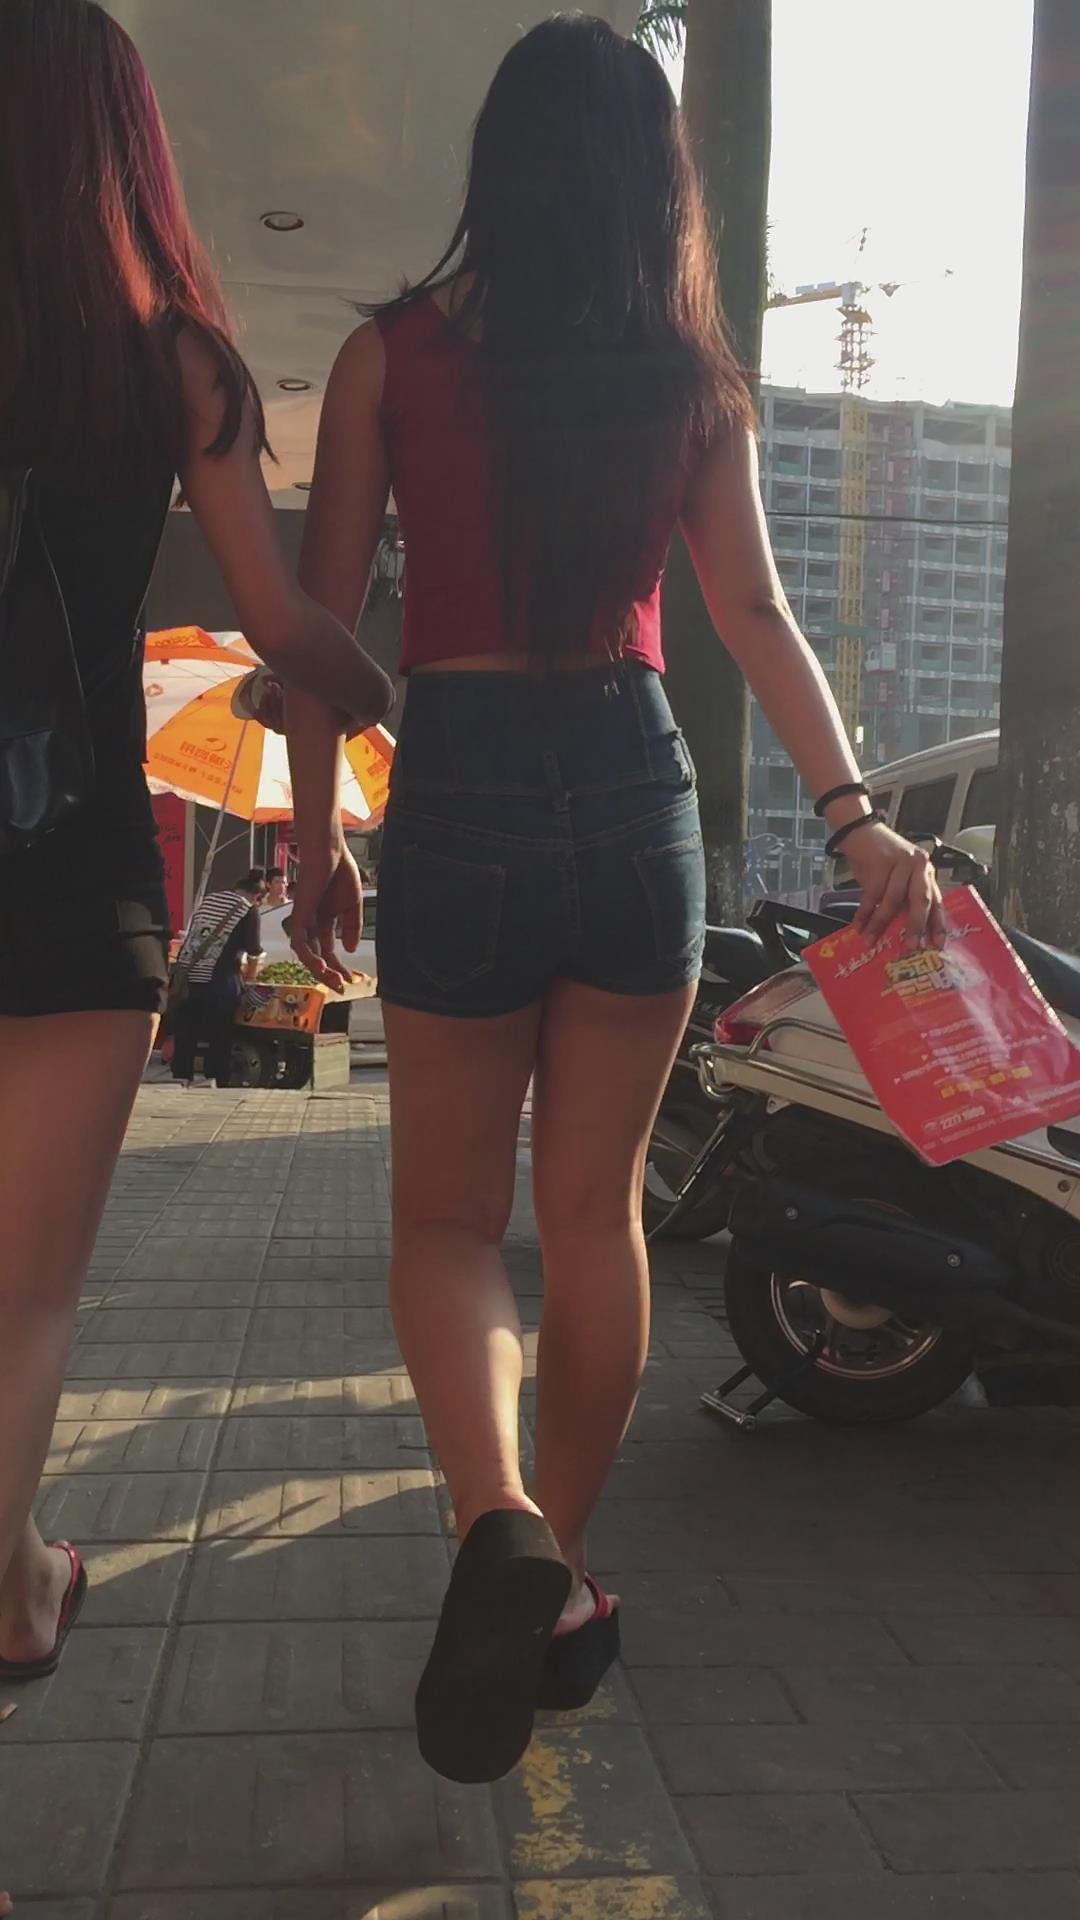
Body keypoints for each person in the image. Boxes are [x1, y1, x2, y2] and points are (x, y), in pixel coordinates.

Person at [287, 15, 943, 1786]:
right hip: (638, 786)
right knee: (596, 1222)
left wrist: (313, 834)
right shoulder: (691, 382)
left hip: (462, 782)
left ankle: (494, 1522)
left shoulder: (387, 358)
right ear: (658, 184)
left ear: (497, 164)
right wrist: (856, 823)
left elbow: (323, 629)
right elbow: (755, 614)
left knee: (447, 1226)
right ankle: (555, 1576)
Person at [0, 0, 391, 1853]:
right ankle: (14, 1587)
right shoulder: (174, 364)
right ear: (123, 143)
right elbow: (281, 626)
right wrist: (388, 705)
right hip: (70, 870)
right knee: (26, 1300)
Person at [170, 869, 268, 1087]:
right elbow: (253, 947)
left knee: (187, 1031)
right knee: (219, 1032)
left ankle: (181, 1075)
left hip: (187, 977)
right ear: (257, 896)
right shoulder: (247, 909)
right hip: (218, 979)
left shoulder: (208, 900)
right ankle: (214, 1077)